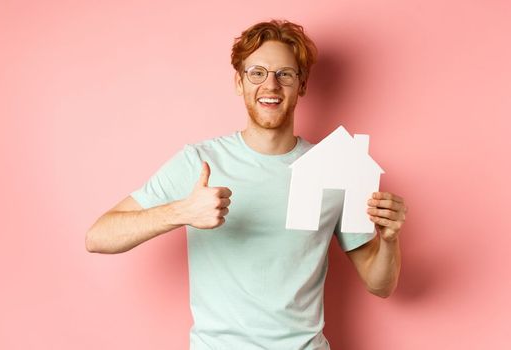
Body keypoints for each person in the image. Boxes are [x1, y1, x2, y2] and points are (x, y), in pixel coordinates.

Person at [85, 19, 407, 350]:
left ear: (302, 85)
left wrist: (390, 239)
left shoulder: (335, 166)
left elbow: (379, 284)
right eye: (257, 73)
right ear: (239, 83)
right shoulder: (200, 162)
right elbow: (98, 236)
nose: (271, 85)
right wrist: (182, 211)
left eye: (285, 74)